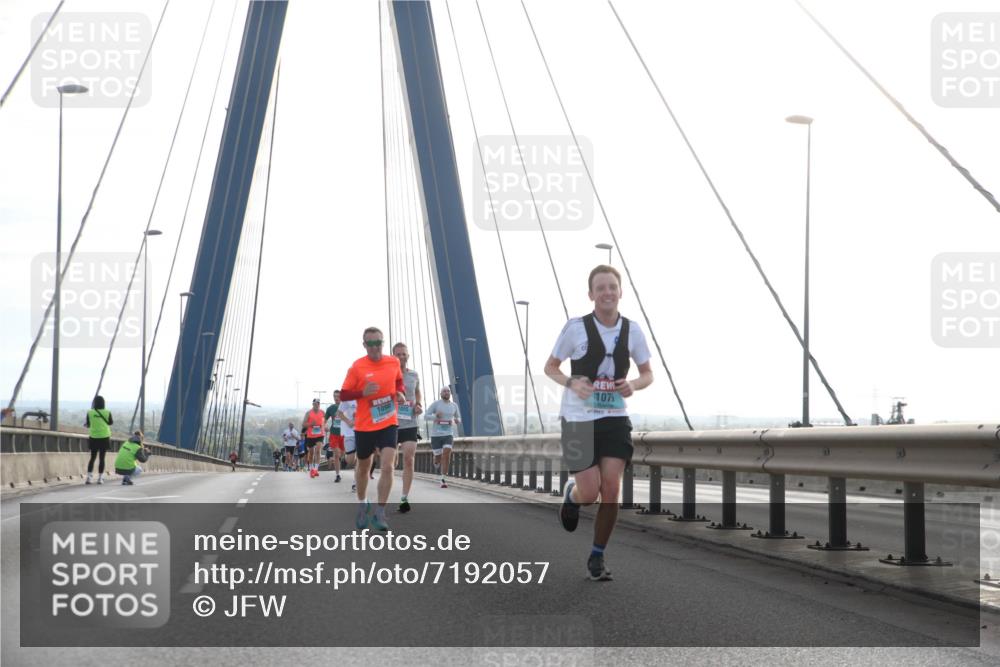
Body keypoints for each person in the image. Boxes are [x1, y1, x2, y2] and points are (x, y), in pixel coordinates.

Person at [543, 264, 653, 582]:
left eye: (612, 287)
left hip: (614, 417)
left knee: (612, 488)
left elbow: (648, 373)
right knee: (590, 493)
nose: (607, 292)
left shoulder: (632, 331)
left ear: (620, 292)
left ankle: (597, 555)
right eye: (600, 288)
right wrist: (571, 383)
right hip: (578, 419)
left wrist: (635, 384)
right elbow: (551, 366)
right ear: (591, 295)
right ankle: (572, 495)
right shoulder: (575, 328)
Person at [339, 327, 405, 531]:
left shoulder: (393, 362)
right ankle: (362, 503)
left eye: (379, 343)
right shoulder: (357, 367)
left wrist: (400, 393)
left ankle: (380, 512)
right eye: (371, 344)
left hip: (388, 421)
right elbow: (343, 395)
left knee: (388, 466)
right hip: (365, 425)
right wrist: (362, 392)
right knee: (363, 468)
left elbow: (399, 381)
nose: (375, 347)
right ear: (364, 345)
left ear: (383, 343)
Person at [392, 342, 423, 513]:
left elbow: (417, 391)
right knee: (391, 462)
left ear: (408, 356)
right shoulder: (388, 374)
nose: (401, 357)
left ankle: (404, 498)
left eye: (404, 354)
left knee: (409, 460)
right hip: (391, 423)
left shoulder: (414, 375)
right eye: (398, 354)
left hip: (410, 422)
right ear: (393, 356)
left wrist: (418, 404)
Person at [425, 387, 461, 488]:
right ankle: (436, 461)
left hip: (448, 434)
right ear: (441, 393)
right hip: (436, 435)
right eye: (444, 391)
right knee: (438, 458)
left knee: (447, 453)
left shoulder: (454, 405)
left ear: (450, 393)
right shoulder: (436, 404)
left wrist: (457, 420)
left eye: (448, 391)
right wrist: (435, 416)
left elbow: (458, 417)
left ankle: (443, 479)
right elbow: (426, 416)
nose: (446, 392)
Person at [84, 395, 113, 484]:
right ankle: (100, 478)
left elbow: (88, 424)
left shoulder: (90, 412)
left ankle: (89, 478)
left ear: (94, 403)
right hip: (104, 436)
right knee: (102, 458)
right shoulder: (107, 412)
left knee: (92, 458)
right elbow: (111, 422)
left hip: (93, 437)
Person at [337, 398, 358, 492]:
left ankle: (355, 483)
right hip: (349, 432)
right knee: (350, 460)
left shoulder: (366, 395)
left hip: (362, 431)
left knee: (361, 459)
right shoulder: (348, 397)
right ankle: (345, 458)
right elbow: (339, 413)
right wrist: (348, 421)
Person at [302, 399, 326, 478]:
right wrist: (310, 424)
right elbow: (303, 424)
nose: (317, 405)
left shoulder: (322, 412)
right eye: (315, 403)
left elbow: (325, 421)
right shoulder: (308, 413)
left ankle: (316, 469)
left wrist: (325, 427)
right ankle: (312, 469)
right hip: (311, 435)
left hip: (320, 434)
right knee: (311, 453)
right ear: (313, 404)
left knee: (318, 450)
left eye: (318, 403)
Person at [325, 390, 344, 482]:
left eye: (338, 396)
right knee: (336, 454)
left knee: (342, 454)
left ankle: (341, 463)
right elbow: (324, 420)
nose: (336, 398)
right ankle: (338, 475)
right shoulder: (331, 408)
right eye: (334, 396)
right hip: (334, 435)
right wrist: (324, 426)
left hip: (344, 435)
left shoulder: (346, 407)